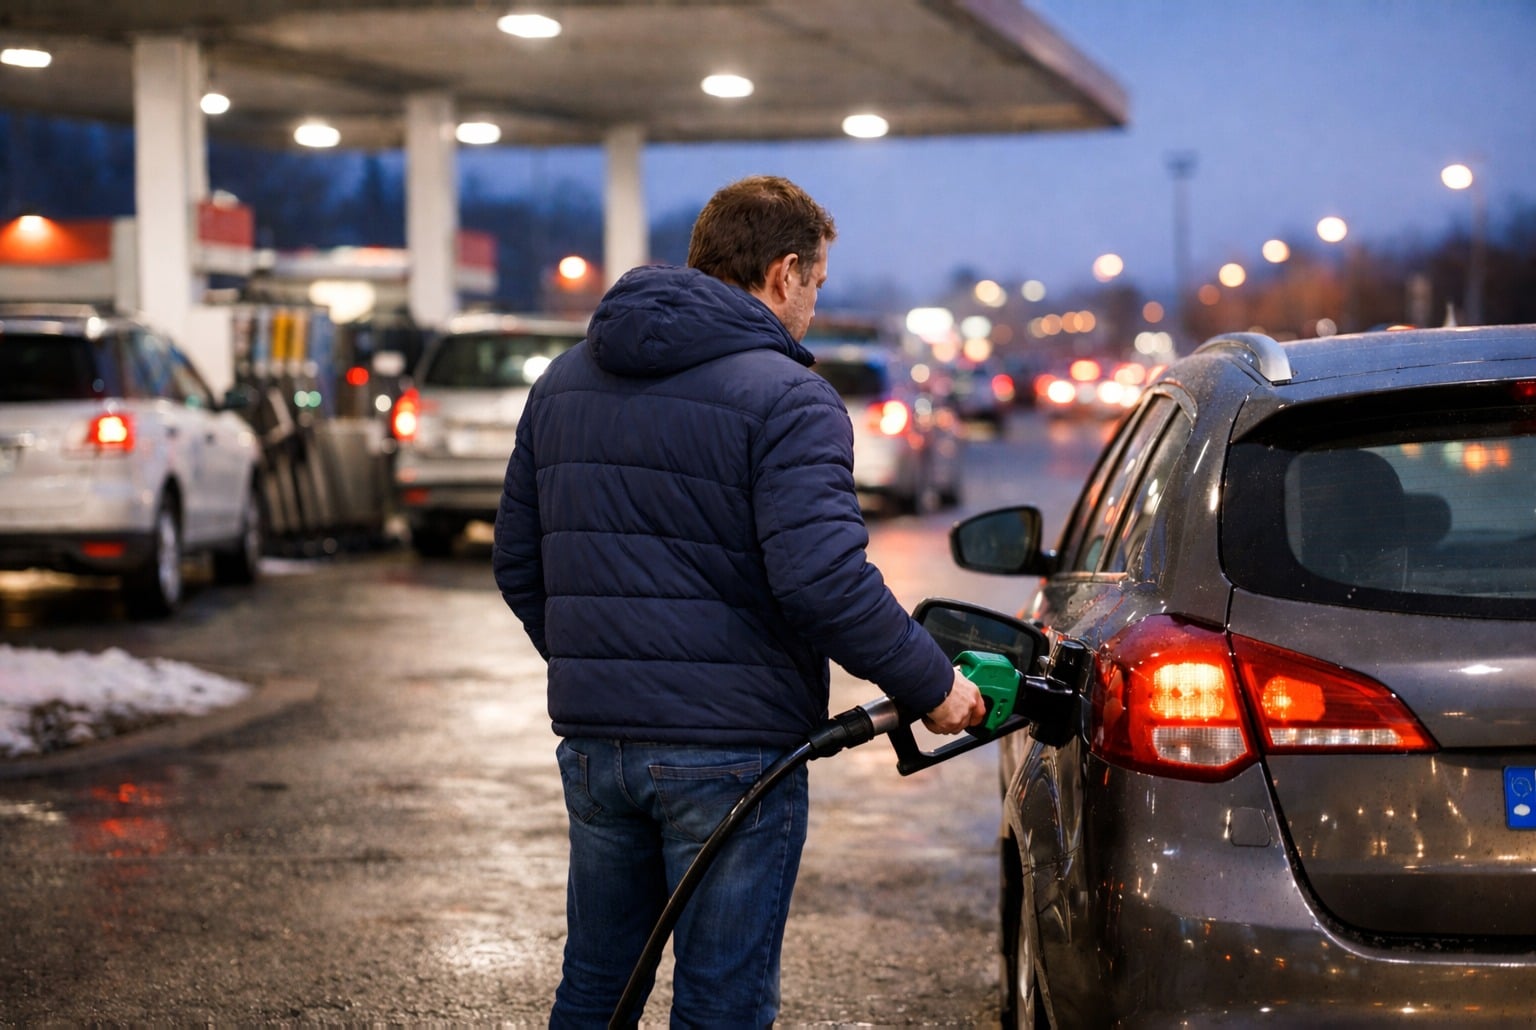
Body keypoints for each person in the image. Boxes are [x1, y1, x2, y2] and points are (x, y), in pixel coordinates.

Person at [492, 174, 985, 1028]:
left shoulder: (566, 380)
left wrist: (603, 665)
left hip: (596, 749)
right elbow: (822, 578)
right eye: (817, 286)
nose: (813, 306)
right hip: (732, 756)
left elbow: (517, 562)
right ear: (784, 271)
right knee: (722, 1001)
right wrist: (934, 685)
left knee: (597, 986)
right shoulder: (790, 396)